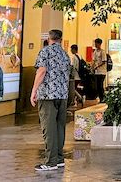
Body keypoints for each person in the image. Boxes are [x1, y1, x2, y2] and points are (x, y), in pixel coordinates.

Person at [31, 29, 69, 172]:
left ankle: (51, 161)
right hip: (62, 95)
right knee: (60, 126)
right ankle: (59, 158)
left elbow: (41, 71)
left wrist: (34, 91)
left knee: (49, 128)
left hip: (47, 95)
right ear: (60, 39)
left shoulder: (45, 52)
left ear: (49, 38)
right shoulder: (65, 54)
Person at [68, 44, 81, 108]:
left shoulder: (73, 57)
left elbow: (72, 67)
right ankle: (77, 99)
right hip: (79, 76)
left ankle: (78, 99)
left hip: (75, 76)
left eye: (71, 49)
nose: (70, 50)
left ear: (74, 49)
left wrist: (70, 75)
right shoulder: (79, 56)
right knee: (74, 89)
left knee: (73, 90)